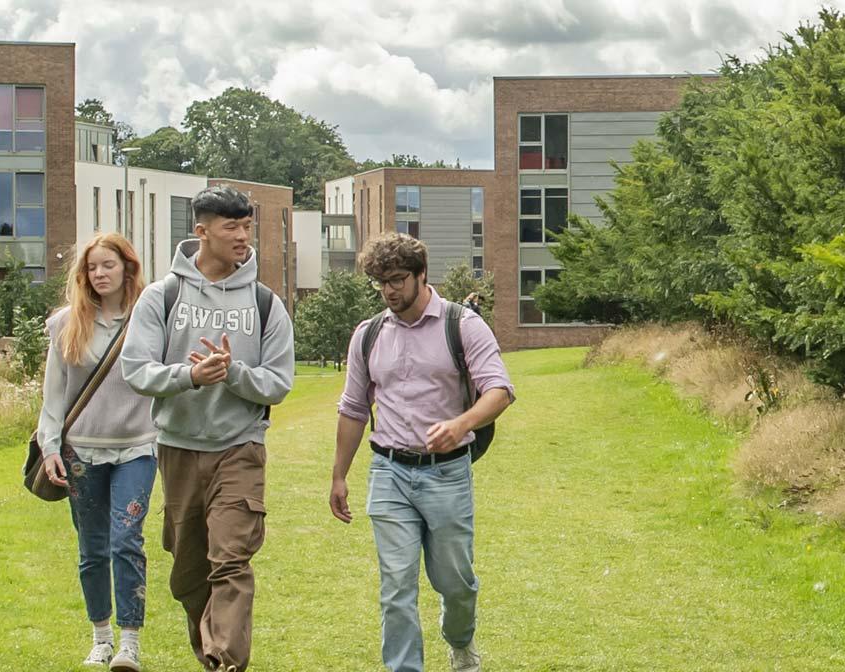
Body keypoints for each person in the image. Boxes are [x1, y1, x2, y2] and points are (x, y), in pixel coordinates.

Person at [120, 185, 295, 672]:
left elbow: (279, 382)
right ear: (201, 231)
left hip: (241, 447)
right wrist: (190, 376)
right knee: (189, 574)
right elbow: (136, 370)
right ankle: (211, 655)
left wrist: (233, 373)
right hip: (177, 449)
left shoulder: (265, 303)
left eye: (247, 226)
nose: (242, 236)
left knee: (231, 559)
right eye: (231, 227)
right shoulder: (162, 296)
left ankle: (225, 662)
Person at [329, 233, 515, 672]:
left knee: (455, 583)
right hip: (389, 472)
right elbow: (353, 408)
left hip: (447, 475)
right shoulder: (369, 334)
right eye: (381, 282)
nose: (389, 290)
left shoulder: (462, 325)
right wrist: (339, 475)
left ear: (421, 274)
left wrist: (460, 424)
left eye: (397, 279)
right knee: (396, 587)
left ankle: (460, 642)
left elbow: (500, 391)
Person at [36, 232, 157, 671]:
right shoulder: (66, 323)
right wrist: (49, 446)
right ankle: (101, 638)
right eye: (92, 267)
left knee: (127, 540)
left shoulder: (150, 319)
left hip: (137, 448)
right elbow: (54, 394)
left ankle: (130, 643)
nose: (100, 274)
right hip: (81, 453)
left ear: (128, 267)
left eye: (108, 265)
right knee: (92, 547)